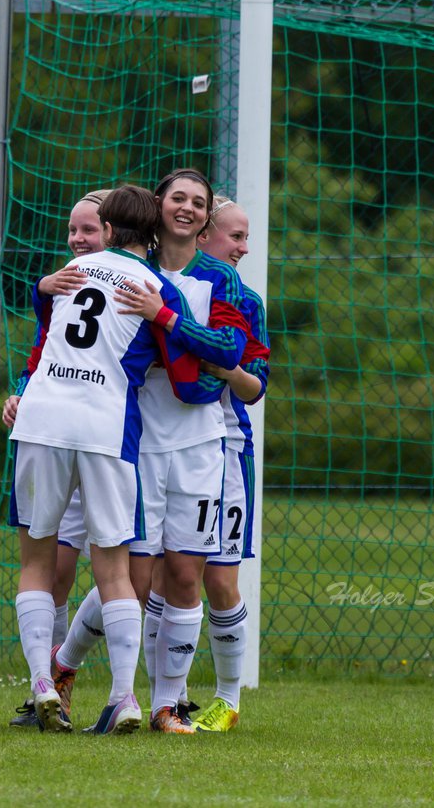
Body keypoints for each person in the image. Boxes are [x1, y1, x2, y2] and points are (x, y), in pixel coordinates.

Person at [9, 184, 223, 735]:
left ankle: (41, 685)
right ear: (151, 234)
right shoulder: (155, 288)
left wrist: (39, 287)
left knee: (37, 561)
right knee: (116, 570)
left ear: (104, 229)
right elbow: (185, 368)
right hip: (107, 427)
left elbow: (46, 324)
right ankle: (125, 697)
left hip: (42, 418)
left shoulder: (69, 274)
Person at [52, 168, 249, 734]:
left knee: (185, 575)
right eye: (176, 198)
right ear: (159, 205)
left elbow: (228, 347)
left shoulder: (219, 277)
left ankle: (166, 705)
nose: (186, 208)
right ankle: (69, 669)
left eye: (197, 202)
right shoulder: (125, 268)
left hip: (199, 443)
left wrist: (164, 318)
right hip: (132, 440)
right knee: (133, 583)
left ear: (207, 216)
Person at [1, 189, 110, 730]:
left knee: (130, 575)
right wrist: (22, 392)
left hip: (111, 442)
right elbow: (44, 351)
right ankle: (45, 691)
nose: (76, 239)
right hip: (55, 435)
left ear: (113, 231)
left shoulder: (134, 282)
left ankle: (67, 669)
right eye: (72, 230)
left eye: (87, 230)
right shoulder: (65, 282)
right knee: (57, 570)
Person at [193, 196, 270, 731]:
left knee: (221, 580)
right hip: (160, 446)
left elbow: (254, 387)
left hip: (224, 450)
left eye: (246, 238)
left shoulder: (247, 301)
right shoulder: (164, 286)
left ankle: (227, 700)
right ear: (202, 236)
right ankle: (68, 666)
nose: (244, 248)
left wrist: (219, 360)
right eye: (235, 237)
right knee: (143, 573)